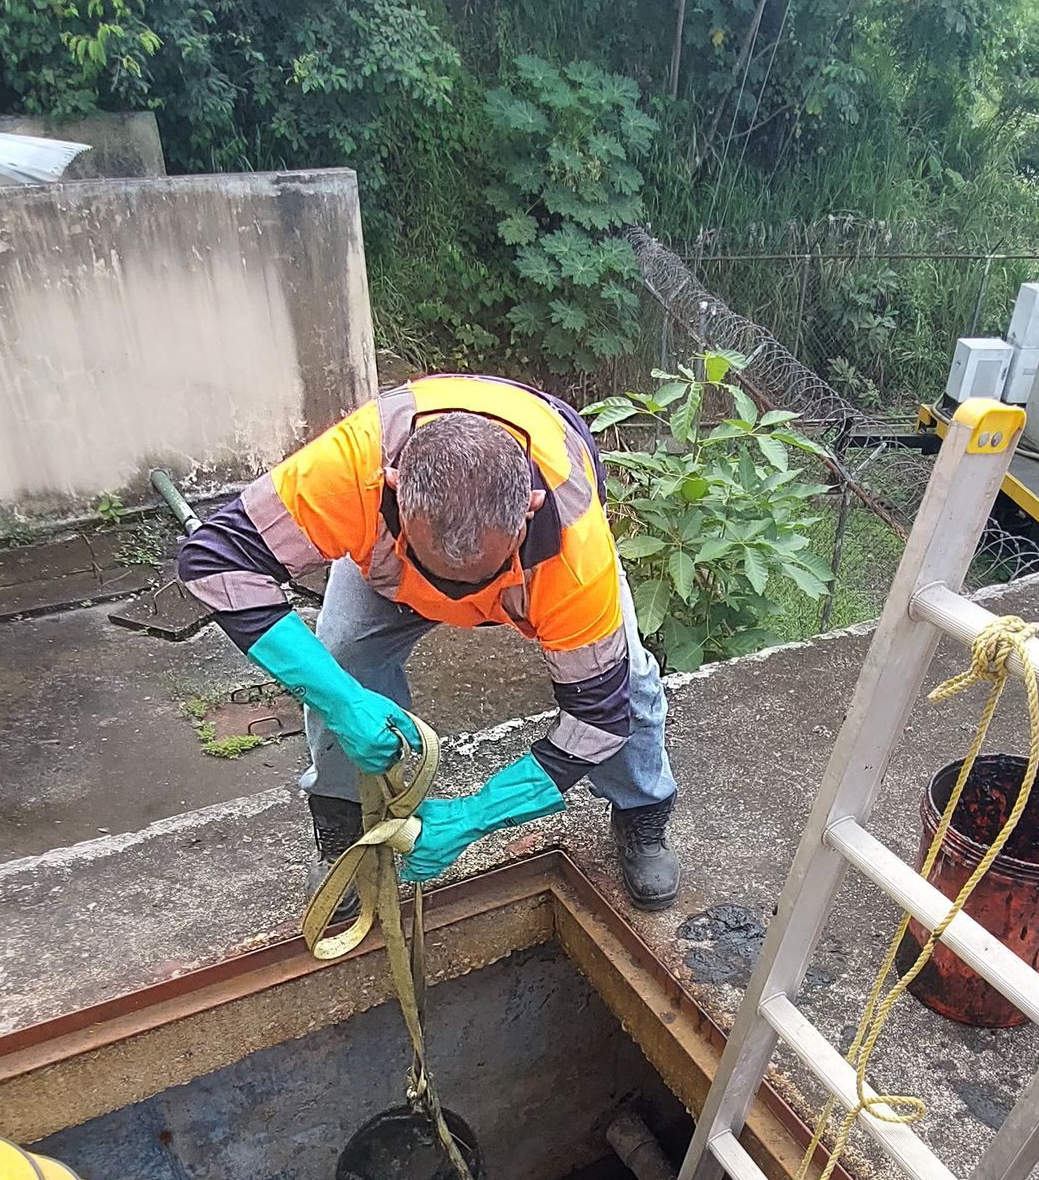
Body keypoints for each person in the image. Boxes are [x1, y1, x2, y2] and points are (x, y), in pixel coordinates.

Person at [176, 374, 680, 907]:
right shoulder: (353, 469)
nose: (460, 597)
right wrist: (341, 698)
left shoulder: (574, 549)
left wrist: (476, 815)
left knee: (631, 685)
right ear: (391, 486)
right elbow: (214, 560)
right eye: (439, 570)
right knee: (338, 659)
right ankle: (343, 830)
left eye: (477, 575)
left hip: (538, 577)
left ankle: (642, 813)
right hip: (388, 576)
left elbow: (599, 717)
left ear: (530, 507)